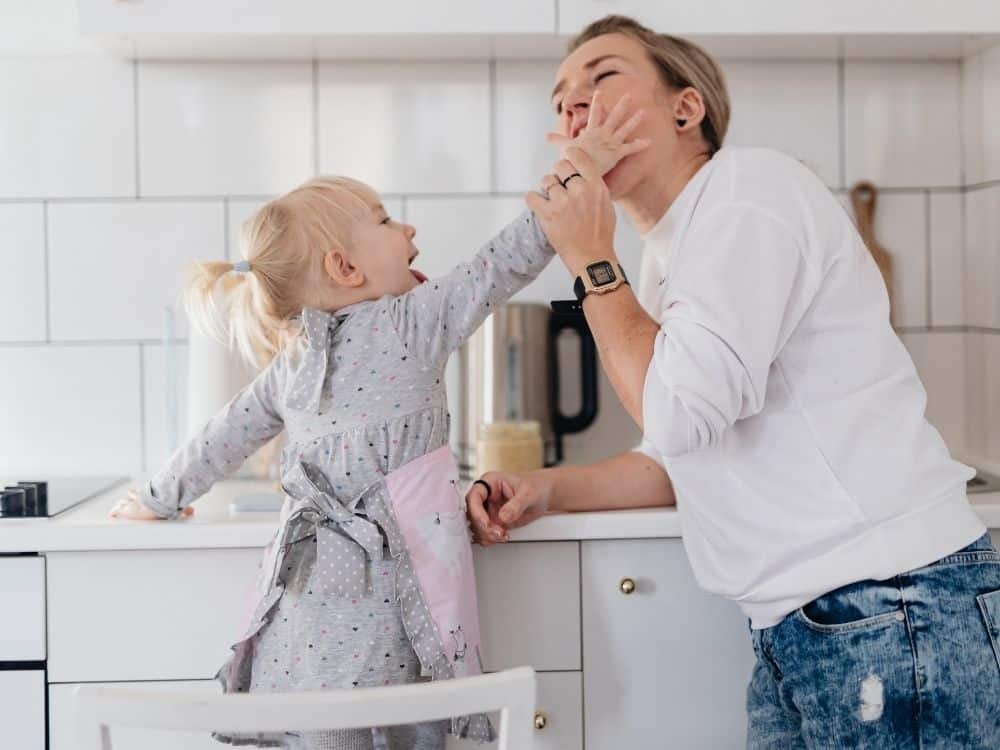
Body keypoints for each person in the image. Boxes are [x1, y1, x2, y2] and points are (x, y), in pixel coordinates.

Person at [467, 15, 1000, 749]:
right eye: (560, 100)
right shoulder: (668, 253)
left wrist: (593, 258)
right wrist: (546, 491)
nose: (573, 107)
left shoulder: (748, 191)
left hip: (887, 606)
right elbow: (675, 457)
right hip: (808, 624)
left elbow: (679, 411)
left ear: (688, 109)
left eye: (603, 78)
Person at [107, 115, 643, 750]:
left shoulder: (292, 366)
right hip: (392, 615)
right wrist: (577, 167)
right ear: (345, 265)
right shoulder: (410, 324)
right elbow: (508, 257)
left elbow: (220, 439)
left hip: (304, 624)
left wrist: (154, 499)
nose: (410, 230)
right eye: (387, 222)